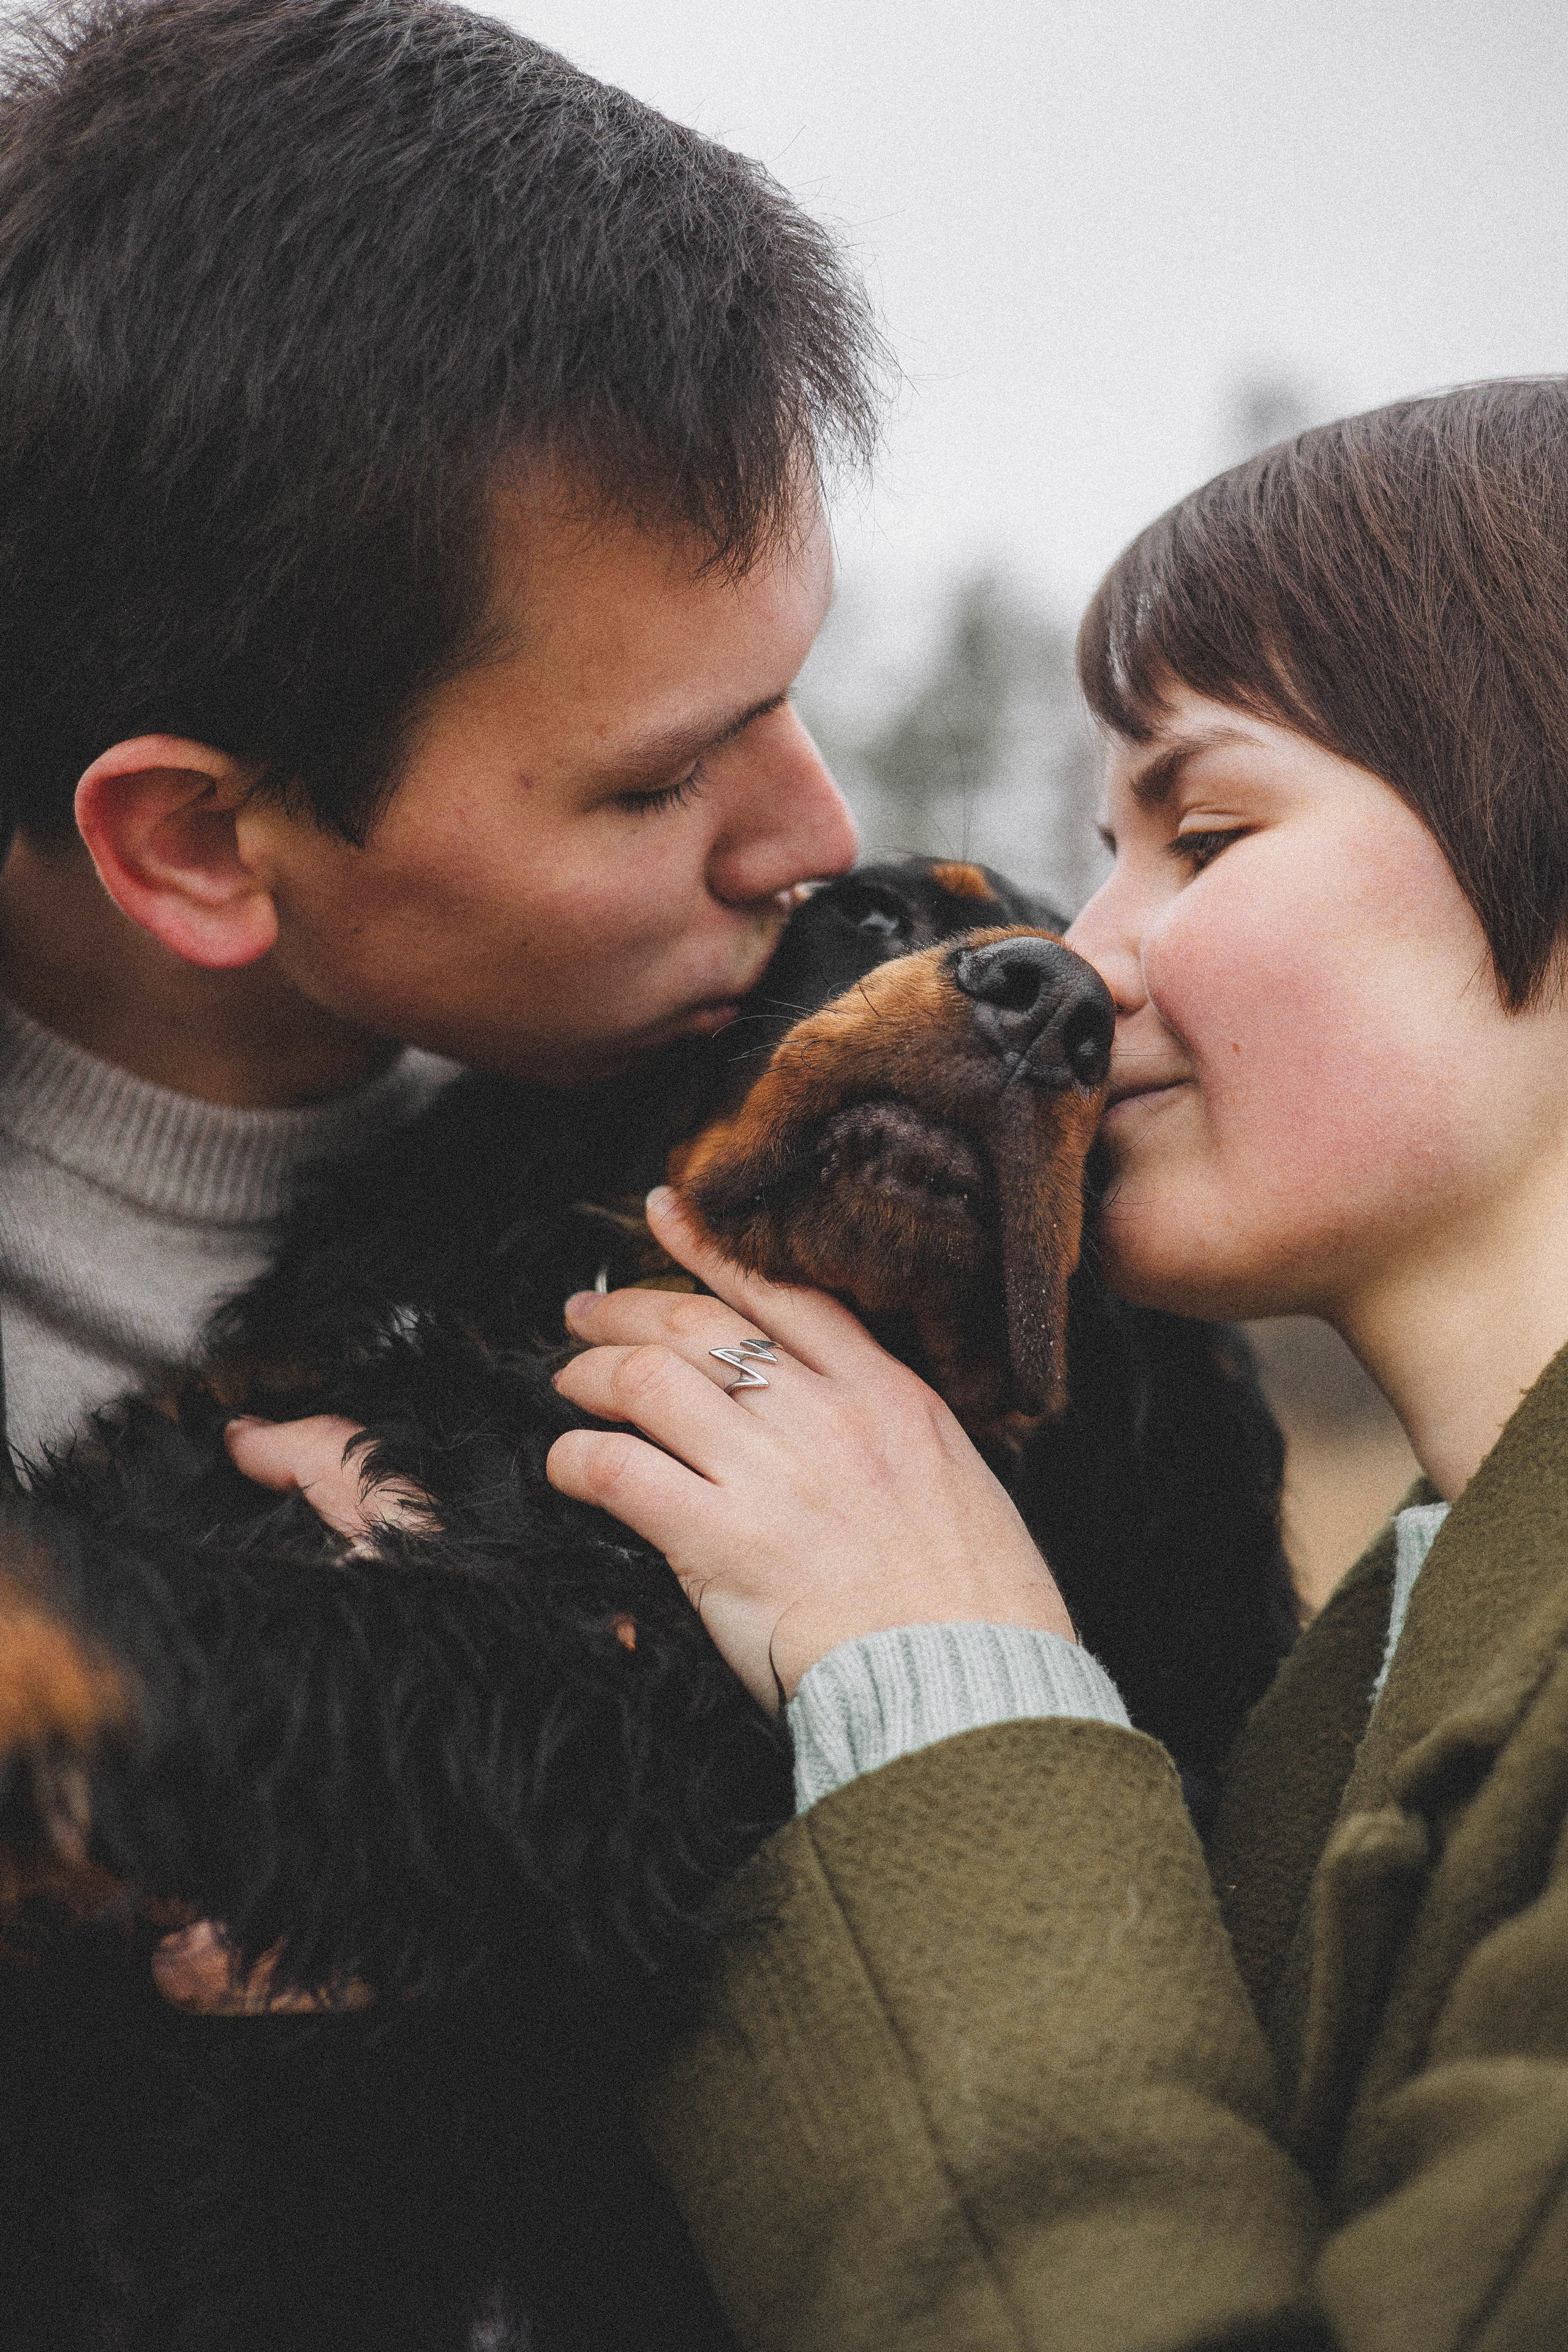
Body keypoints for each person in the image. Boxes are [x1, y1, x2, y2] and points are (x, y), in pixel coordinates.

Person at [550, 379, 1568, 2346]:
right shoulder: (1384, 1656)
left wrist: (944, 1696)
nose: (1085, 959)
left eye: (1208, 831)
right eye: (1107, 852)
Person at [0, 0, 875, 1999]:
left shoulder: (745, 1167)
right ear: (196, 845)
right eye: (660, 781)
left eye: (788, 697)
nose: (815, 837)